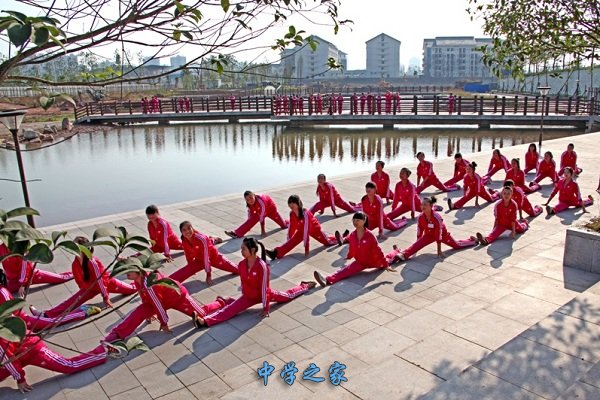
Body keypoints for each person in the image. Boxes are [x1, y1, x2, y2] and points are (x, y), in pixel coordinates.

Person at [196, 238, 316, 327]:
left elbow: (264, 288)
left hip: (265, 295)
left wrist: (266, 307)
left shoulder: (262, 267)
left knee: (287, 296)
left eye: (244, 248)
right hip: (248, 297)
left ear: (252, 250)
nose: (241, 251)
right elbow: (243, 282)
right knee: (228, 311)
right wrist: (243, 297)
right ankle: (204, 321)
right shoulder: (241, 265)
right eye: (241, 248)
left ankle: (304, 286)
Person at [103, 270, 233, 341]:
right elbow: (147, 299)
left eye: (130, 270)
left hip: (178, 297)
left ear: (139, 271)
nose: (127, 273)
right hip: (160, 301)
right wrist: (147, 314)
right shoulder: (138, 281)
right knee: (138, 312)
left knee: (202, 314)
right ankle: (117, 334)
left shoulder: (150, 284)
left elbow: (158, 305)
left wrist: (164, 323)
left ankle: (221, 302)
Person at [29, 237, 136, 319]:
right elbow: (79, 279)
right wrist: (83, 291)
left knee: (132, 289)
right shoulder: (75, 262)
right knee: (70, 302)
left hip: (107, 284)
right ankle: (45, 315)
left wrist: (105, 297)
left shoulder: (92, 262)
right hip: (89, 288)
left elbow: (100, 281)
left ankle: (142, 278)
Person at [0, 331, 124, 393]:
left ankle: (104, 351)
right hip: (16, 353)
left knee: (69, 366)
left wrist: (20, 379)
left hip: (32, 349)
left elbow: (8, 360)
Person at [0, 269, 97, 332]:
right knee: (47, 321)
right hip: (10, 321)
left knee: (52, 322)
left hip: (21, 320)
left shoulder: (2, 292)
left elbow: (11, 314)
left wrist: (23, 283)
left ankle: (82, 312)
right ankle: (42, 315)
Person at [313, 212, 396, 287]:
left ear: (364, 221)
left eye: (358, 220)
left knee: (389, 259)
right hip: (360, 262)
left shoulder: (370, 236)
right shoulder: (352, 235)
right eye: (354, 220)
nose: (355, 222)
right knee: (345, 271)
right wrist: (349, 256)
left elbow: (378, 251)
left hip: (375, 261)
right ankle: (327, 279)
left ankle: (396, 252)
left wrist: (385, 265)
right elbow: (352, 248)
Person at [389, 197, 477, 262]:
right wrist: (417, 245)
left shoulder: (437, 217)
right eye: (422, 204)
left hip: (443, 235)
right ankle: (403, 255)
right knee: (416, 245)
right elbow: (419, 232)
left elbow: (439, 234)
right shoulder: (420, 217)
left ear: (431, 206)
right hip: (429, 235)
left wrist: (439, 251)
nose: (422, 207)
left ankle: (473, 241)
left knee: (457, 245)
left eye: (425, 205)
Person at [265, 195, 338, 259]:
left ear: (298, 203)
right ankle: (275, 253)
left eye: (293, 203)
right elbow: (291, 228)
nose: (291, 205)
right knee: (291, 242)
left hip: (314, 229)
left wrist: (306, 248)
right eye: (289, 203)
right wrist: (289, 241)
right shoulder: (292, 214)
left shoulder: (305, 214)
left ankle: (343, 238)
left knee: (328, 242)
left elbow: (306, 231)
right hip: (301, 231)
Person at [171, 221, 238, 285]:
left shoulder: (201, 239)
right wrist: (190, 266)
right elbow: (188, 254)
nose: (187, 231)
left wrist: (208, 275)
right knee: (179, 275)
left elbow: (206, 257)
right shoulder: (184, 240)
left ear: (193, 229)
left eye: (189, 228)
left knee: (237, 270)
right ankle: (212, 239)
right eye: (184, 230)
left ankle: (213, 239)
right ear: (181, 232)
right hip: (199, 260)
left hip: (214, 257)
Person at [0, 243, 73, 296]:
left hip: (32, 275)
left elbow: (25, 268)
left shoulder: (21, 250)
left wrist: (22, 285)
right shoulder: (1, 248)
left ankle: (73, 274)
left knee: (60, 278)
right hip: (12, 280)